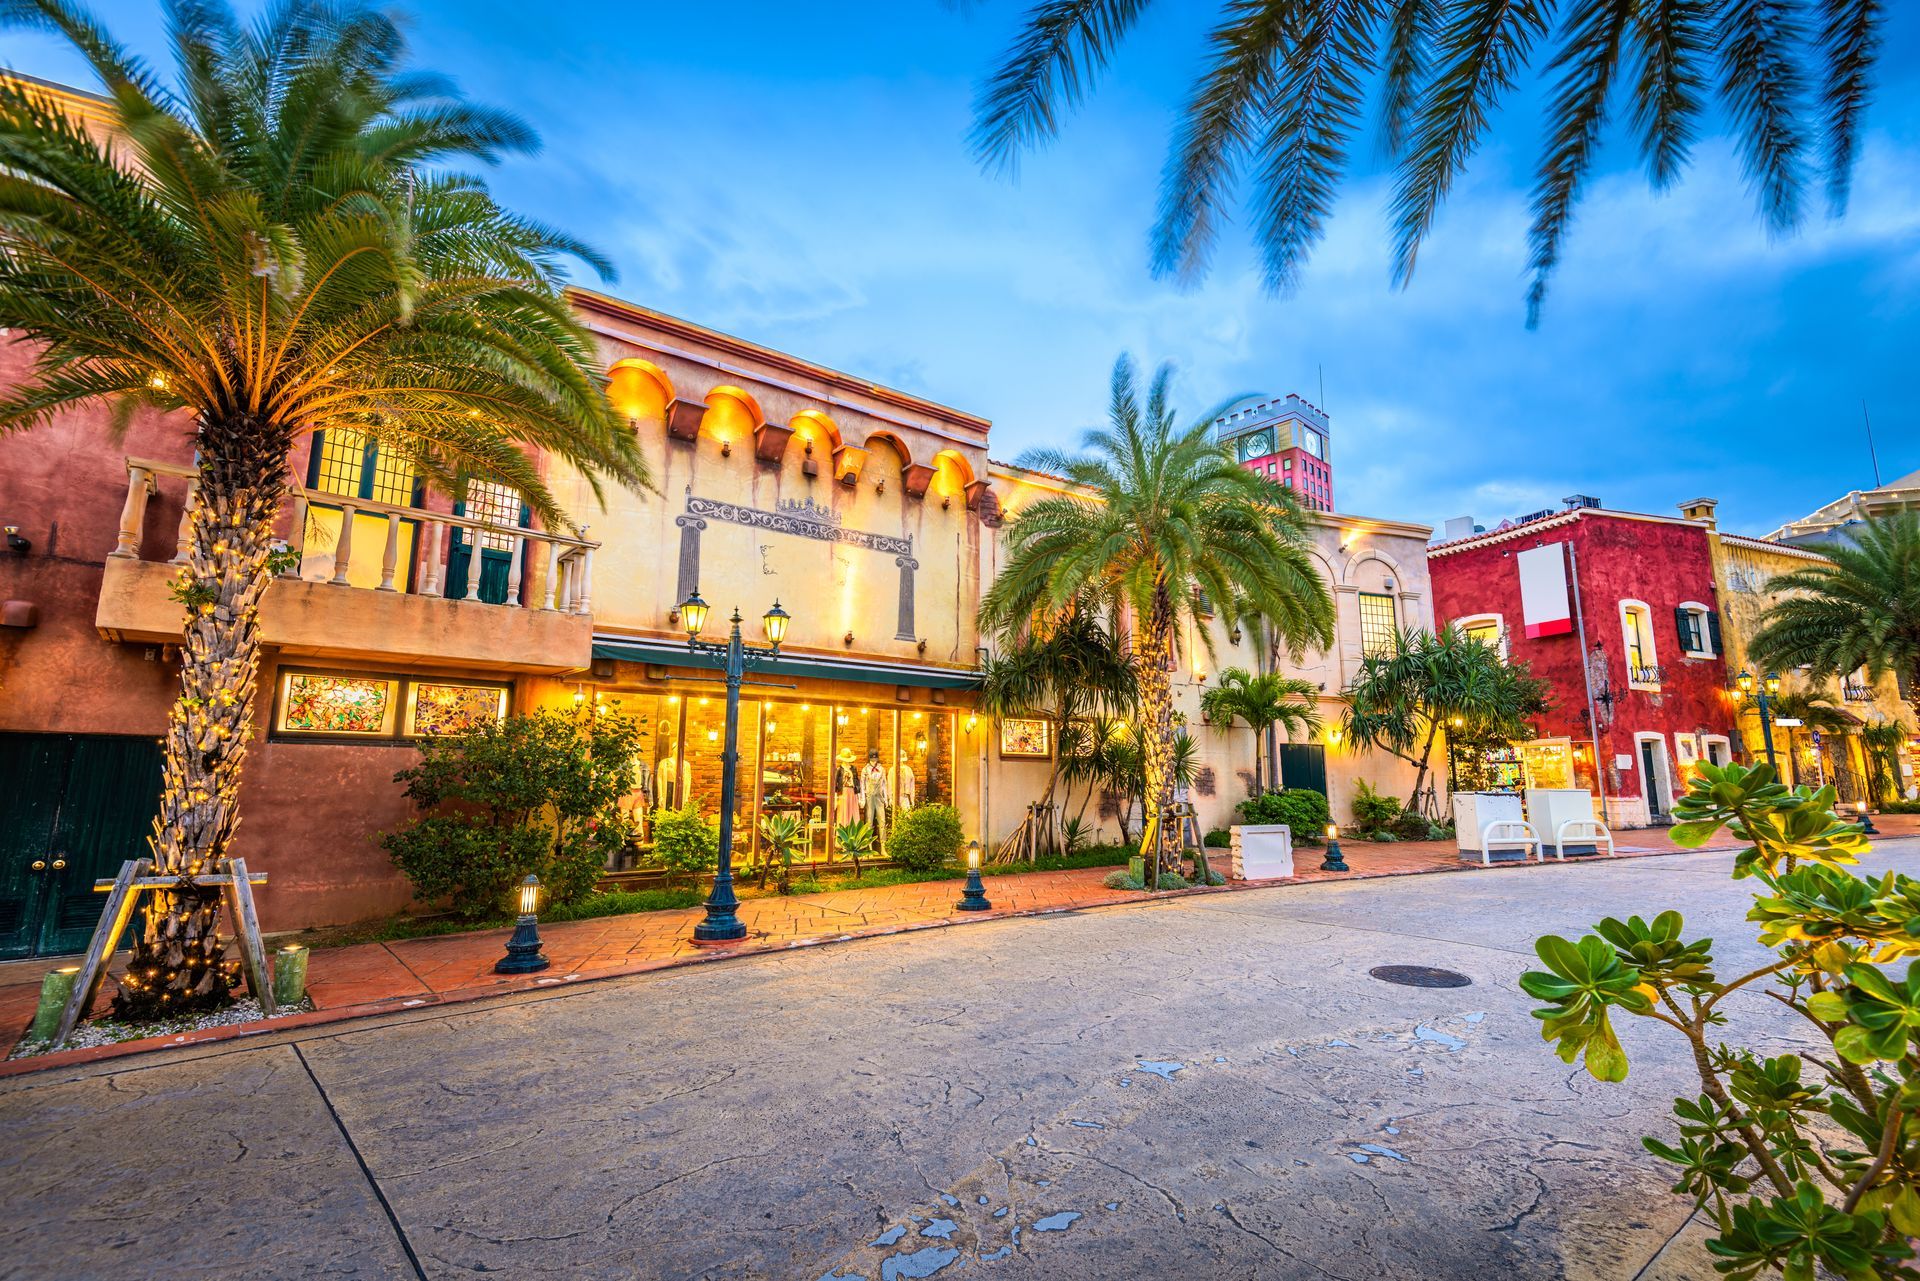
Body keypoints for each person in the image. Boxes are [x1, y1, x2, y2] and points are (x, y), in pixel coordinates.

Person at [860, 747, 892, 848]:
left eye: (875, 758)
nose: (874, 760)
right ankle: (868, 846)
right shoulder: (865, 769)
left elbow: (884, 784)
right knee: (869, 821)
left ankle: (883, 846)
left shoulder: (882, 769)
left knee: (882, 821)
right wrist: (862, 799)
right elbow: (862, 785)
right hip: (869, 797)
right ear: (869, 758)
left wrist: (886, 798)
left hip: (879, 797)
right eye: (872, 758)